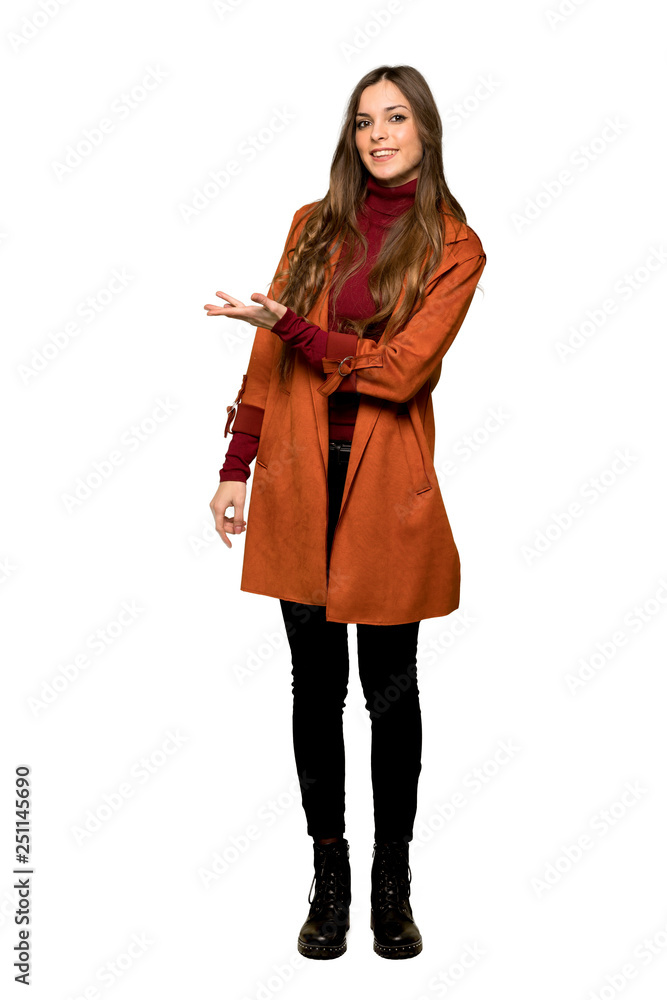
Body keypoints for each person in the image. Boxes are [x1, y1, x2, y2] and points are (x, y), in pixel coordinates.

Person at [205, 64, 486, 960]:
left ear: (425, 130)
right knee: (314, 686)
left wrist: (290, 326)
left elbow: (400, 372)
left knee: (389, 688)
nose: (378, 135)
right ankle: (329, 877)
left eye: (395, 118)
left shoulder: (454, 246)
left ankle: (391, 885)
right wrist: (236, 466)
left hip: (384, 483)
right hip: (296, 476)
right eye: (364, 121)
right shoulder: (313, 225)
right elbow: (267, 359)